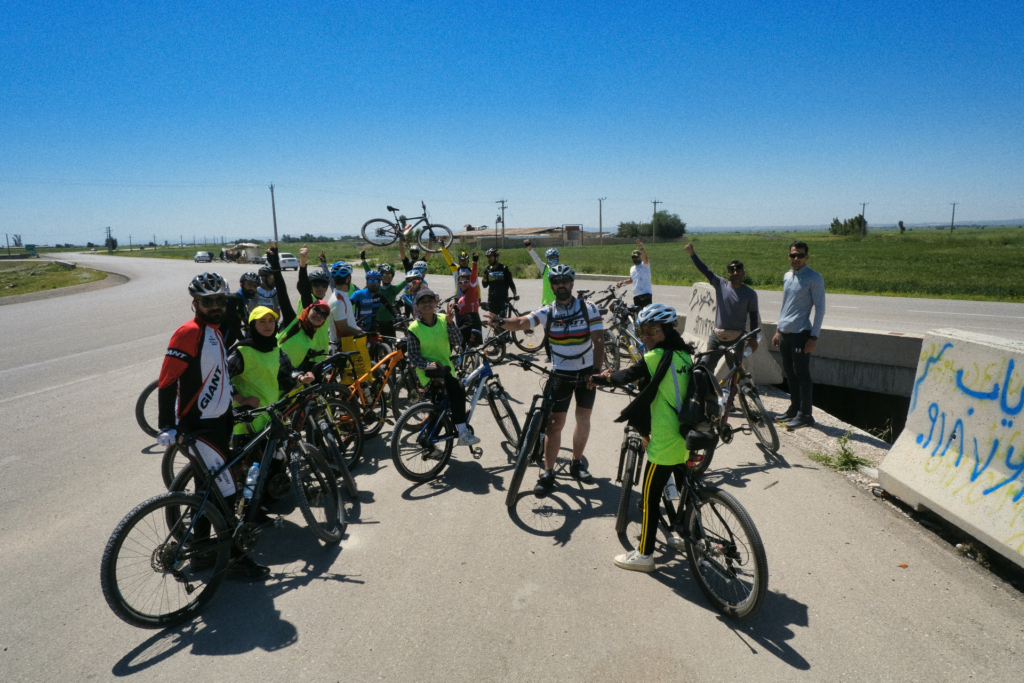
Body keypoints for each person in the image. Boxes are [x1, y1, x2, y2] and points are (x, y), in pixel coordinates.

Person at [155, 272, 269, 581]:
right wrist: (166, 424)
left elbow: (217, 376)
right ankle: (234, 558)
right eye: (208, 301)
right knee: (226, 493)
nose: (215, 305)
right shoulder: (188, 333)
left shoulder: (216, 332)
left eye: (220, 300)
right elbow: (167, 381)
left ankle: (203, 552)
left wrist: (238, 398)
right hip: (199, 427)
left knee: (208, 490)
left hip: (221, 422)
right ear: (196, 303)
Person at [590, 304, 693, 572]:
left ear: (667, 330)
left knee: (649, 498)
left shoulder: (656, 356)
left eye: (652, 330)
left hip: (665, 439)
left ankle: (645, 555)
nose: (645, 336)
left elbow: (627, 375)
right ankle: (687, 534)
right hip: (687, 435)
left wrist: (601, 378)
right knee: (685, 492)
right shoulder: (684, 355)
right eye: (642, 331)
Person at [488, 264, 604, 495]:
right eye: (556, 281)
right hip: (560, 373)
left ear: (572, 283)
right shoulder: (548, 311)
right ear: (551, 286)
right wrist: (500, 321)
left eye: (565, 281)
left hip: (586, 373)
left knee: (583, 419)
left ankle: (576, 462)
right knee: (554, 425)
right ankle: (548, 472)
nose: (561, 285)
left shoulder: (588, 308)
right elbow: (521, 323)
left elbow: (599, 340)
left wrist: (597, 373)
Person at [684, 242, 760, 415]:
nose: (735, 272)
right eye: (731, 270)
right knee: (704, 367)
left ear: (743, 273)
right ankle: (702, 397)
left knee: (735, 371)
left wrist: (754, 339)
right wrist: (692, 254)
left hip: (738, 338)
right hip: (717, 336)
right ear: (728, 273)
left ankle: (730, 402)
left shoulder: (750, 294)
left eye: (738, 269)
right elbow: (705, 270)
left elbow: (754, 316)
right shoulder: (720, 284)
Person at [405, 289, 481, 447]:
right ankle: (462, 432)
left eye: (430, 301)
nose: (427, 304)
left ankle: (426, 440)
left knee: (440, 408)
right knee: (459, 390)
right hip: (428, 374)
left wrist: (450, 323)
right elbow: (413, 355)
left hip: (446, 370)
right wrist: (428, 364)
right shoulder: (414, 328)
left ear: (435, 303)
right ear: (417, 306)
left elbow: (458, 340)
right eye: (423, 302)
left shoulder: (443, 318)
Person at [772, 240, 825, 429]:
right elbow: (785, 304)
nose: (796, 259)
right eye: (793, 255)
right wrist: (779, 329)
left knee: (802, 373)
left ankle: (805, 415)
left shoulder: (814, 278)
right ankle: (794, 409)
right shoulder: (787, 276)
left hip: (801, 333)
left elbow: (820, 308)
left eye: (800, 255)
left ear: (807, 257)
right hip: (785, 332)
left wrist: (814, 337)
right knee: (790, 373)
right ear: (789, 256)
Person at [265, 246, 332, 373]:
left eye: (324, 315)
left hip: (286, 380)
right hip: (267, 371)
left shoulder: (311, 340)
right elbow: (285, 293)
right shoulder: (293, 322)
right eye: (316, 310)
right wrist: (277, 269)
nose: (319, 315)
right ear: (308, 309)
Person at [326, 261, 372, 383]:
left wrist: (359, 330)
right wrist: (363, 333)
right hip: (343, 345)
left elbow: (349, 322)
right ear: (349, 278)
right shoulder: (338, 301)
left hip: (348, 342)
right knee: (351, 382)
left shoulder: (342, 296)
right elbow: (344, 328)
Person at [615, 238, 653, 308]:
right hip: (636, 296)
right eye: (633, 258)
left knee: (647, 316)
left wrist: (641, 248)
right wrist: (622, 282)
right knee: (638, 316)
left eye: (636, 257)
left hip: (646, 294)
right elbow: (631, 280)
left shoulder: (645, 265)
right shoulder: (632, 268)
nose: (635, 259)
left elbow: (646, 259)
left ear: (640, 257)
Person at [481, 247, 518, 317]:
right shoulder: (488, 269)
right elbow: (484, 285)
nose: (489, 259)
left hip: (502, 300)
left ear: (496, 257)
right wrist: (485, 274)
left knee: (502, 323)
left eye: (491, 257)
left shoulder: (503, 268)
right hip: (492, 300)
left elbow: (511, 283)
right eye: (488, 257)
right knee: (493, 323)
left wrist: (515, 294)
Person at [525, 241, 559, 305]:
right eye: (550, 257)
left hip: (559, 304)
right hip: (547, 303)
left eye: (554, 257)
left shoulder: (561, 269)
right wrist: (529, 246)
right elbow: (536, 258)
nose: (553, 259)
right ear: (547, 258)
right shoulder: (545, 268)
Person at [455, 266, 482, 347]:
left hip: (472, 320)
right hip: (465, 320)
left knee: (455, 335)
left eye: (465, 282)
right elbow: (462, 310)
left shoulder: (472, 291)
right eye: (460, 282)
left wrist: (475, 262)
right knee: (464, 345)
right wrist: (455, 307)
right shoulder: (462, 297)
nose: (462, 284)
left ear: (470, 282)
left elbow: (473, 276)